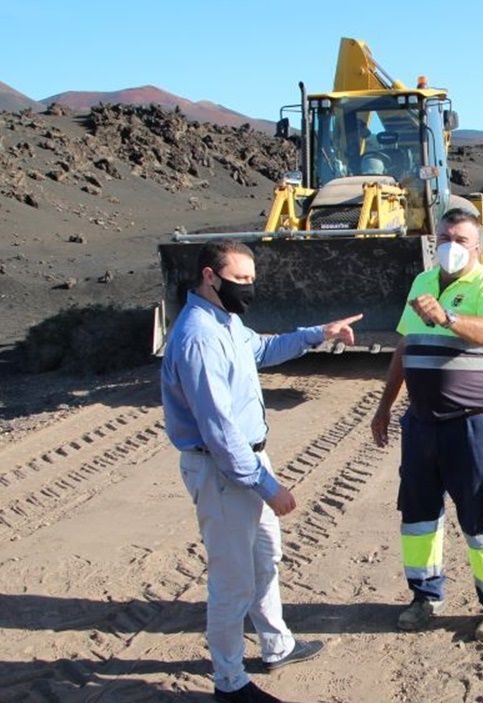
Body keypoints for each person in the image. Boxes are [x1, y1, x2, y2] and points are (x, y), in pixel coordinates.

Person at [161, 239, 363, 703]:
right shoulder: (198, 338)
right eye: (241, 279)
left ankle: (277, 644)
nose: (249, 288)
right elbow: (219, 430)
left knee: (266, 557)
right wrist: (267, 485)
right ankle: (229, 683)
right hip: (224, 471)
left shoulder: (226, 321)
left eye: (253, 279)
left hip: (246, 461)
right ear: (211, 276)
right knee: (232, 583)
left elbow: (264, 349)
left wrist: (320, 332)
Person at [371, 208, 483, 642]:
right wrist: (384, 408)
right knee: (417, 516)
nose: (450, 246)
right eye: (444, 237)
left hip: (471, 424)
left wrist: (448, 318)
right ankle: (424, 597)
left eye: (460, 239)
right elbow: (404, 345)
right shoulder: (422, 282)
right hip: (421, 423)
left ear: (477, 247)